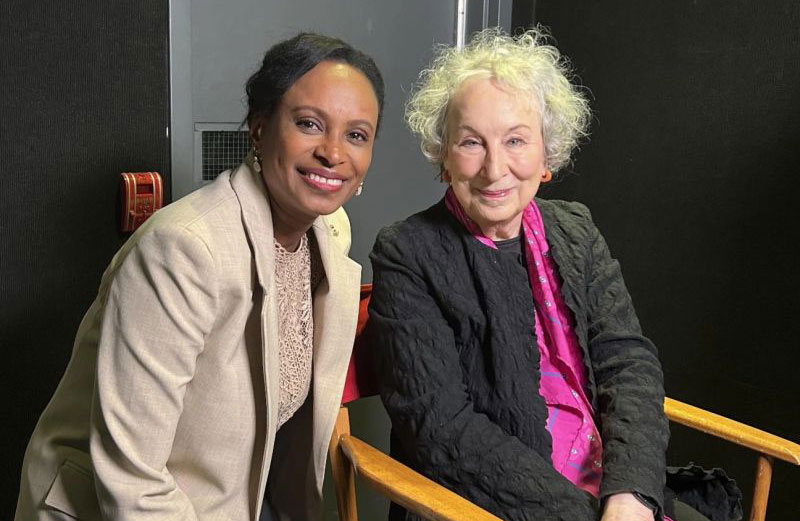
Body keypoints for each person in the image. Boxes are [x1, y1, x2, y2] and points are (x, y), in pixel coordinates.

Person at [368, 28, 734, 521]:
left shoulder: (575, 230)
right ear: (443, 157)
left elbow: (627, 364)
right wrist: (587, 514)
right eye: (471, 142)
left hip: (608, 481)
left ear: (546, 156)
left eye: (516, 140)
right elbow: (440, 427)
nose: (495, 168)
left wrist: (630, 495)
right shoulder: (407, 252)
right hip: (479, 502)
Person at [15, 32, 383, 521]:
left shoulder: (329, 242)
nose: (333, 153)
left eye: (356, 134)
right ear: (259, 128)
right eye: (310, 124)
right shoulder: (183, 250)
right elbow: (132, 480)